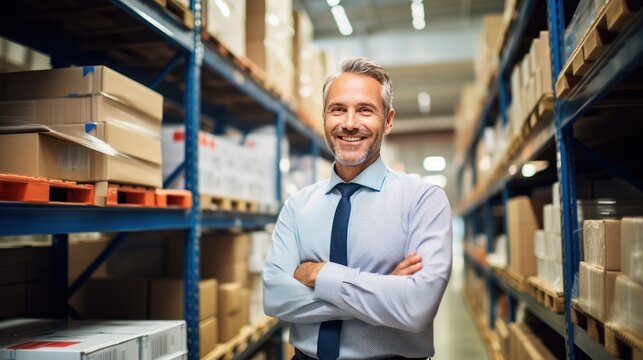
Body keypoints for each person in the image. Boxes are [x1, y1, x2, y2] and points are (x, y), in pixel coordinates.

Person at [263, 57, 452, 360]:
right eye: (338, 109)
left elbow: (417, 308)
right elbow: (275, 298)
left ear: (388, 120)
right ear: (325, 117)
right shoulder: (297, 206)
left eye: (365, 110)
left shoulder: (423, 200)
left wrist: (321, 275)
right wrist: (386, 290)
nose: (349, 123)